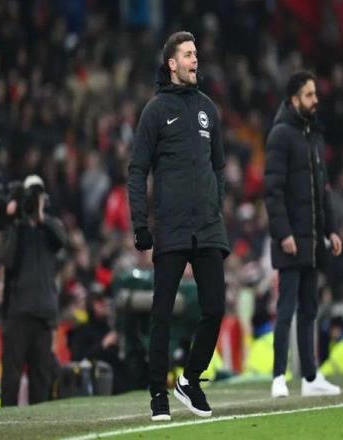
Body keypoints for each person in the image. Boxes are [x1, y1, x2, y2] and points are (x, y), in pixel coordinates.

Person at [128, 31, 229, 421]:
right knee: (162, 313)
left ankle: (189, 380)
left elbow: (218, 167)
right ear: (172, 64)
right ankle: (158, 394)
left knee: (215, 308)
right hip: (171, 227)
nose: (194, 60)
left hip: (207, 227)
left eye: (195, 53)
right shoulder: (155, 111)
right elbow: (137, 170)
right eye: (188, 54)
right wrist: (141, 224)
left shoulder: (208, 110)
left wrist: (215, 205)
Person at [264, 71, 342, 398]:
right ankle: (278, 376)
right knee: (286, 310)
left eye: (315, 94)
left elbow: (323, 190)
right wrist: (283, 233)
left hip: (311, 240)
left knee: (309, 309)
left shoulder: (313, 136)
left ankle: (310, 377)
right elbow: (272, 191)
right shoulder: (281, 135)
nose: (315, 100)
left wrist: (332, 229)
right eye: (309, 95)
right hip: (291, 240)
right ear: (294, 99)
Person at [0, 175, 67, 406]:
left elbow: (62, 241)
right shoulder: (15, 228)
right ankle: (6, 422)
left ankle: (39, 422)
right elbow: (8, 261)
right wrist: (16, 222)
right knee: (11, 375)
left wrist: (40, 218)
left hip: (44, 314)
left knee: (41, 376)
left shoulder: (51, 227)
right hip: (19, 311)